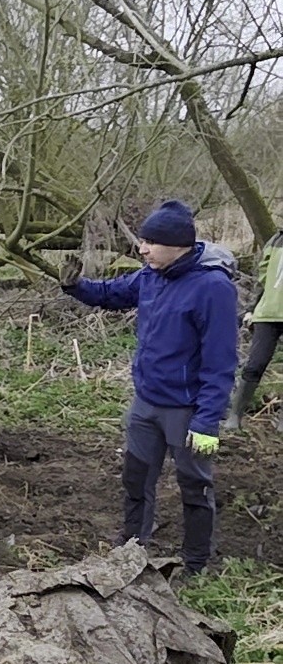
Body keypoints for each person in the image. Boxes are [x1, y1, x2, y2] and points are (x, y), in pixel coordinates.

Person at [61, 199, 238, 575]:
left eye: (150, 242)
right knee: (136, 480)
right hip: (146, 404)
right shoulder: (150, 276)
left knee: (194, 486)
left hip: (187, 411)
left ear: (179, 244)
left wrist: (207, 422)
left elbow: (221, 362)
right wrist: (76, 286)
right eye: (142, 241)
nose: (142, 249)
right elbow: (111, 294)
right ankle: (131, 551)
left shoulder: (212, 287)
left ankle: (195, 565)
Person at [221, 225, 283, 432]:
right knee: (255, 364)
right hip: (268, 313)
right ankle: (235, 416)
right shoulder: (276, 240)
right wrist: (251, 309)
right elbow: (262, 279)